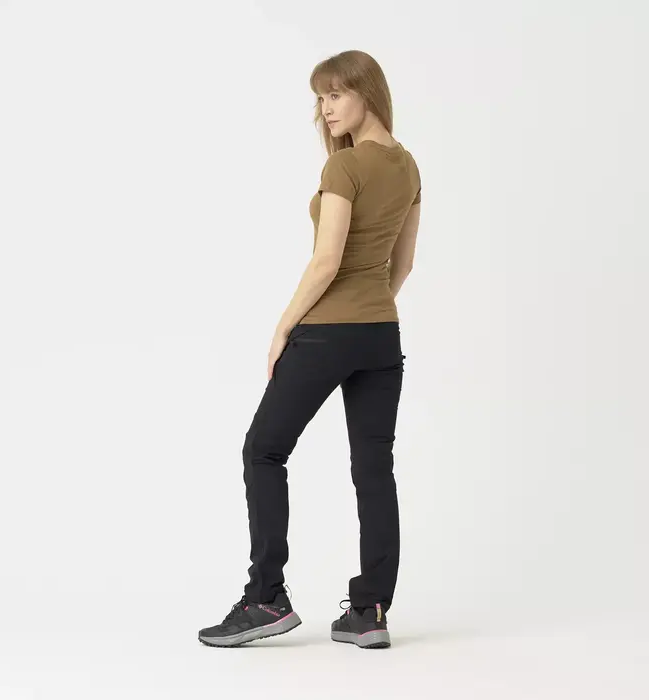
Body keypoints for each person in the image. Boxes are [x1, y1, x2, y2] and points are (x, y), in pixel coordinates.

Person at [198, 49, 421, 649]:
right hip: (382, 333)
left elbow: (326, 262)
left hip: (326, 333)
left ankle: (266, 598)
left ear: (368, 93)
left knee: (263, 450)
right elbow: (403, 264)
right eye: (321, 98)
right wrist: (370, 312)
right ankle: (370, 611)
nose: (326, 109)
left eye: (336, 95)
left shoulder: (345, 168)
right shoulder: (408, 167)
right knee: (373, 469)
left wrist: (283, 327)